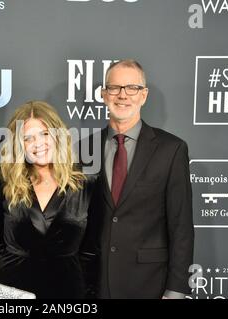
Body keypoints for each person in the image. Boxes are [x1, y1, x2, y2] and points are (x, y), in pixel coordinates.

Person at [86, 59, 194, 299]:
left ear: (143, 95)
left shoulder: (171, 149)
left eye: (132, 88)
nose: (122, 95)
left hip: (149, 283)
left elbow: (181, 226)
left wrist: (176, 290)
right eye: (114, 88)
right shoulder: (84, 148)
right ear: (104, 95)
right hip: (93, 283)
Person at [0, 101, 98, 299]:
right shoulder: (5, 183)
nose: (38, 143)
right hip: (13, 295)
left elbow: (90, 255)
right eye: (28, 138)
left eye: (44, 134)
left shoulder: (86, 184)